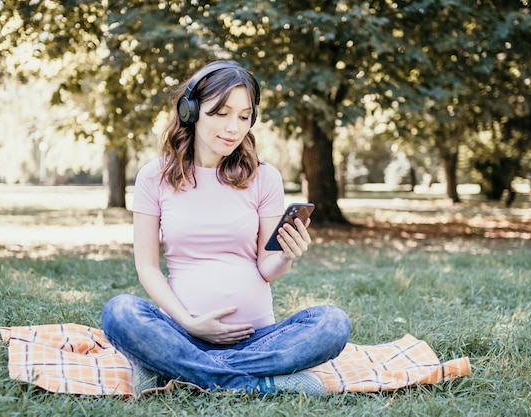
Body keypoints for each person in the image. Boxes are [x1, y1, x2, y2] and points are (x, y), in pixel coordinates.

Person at [101, 60, 350, 396]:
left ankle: (172, 369)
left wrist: (287, 255)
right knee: (119, 312)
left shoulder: (265, 177)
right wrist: (189, 323)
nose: (234, 127)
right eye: (221, 113)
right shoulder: (153, 177)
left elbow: (266, 267)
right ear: (191, 110)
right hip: (179, 332)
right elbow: (147, 267)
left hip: (258, 341)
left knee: (332, 323)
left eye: (244, 116)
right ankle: (262, 384)